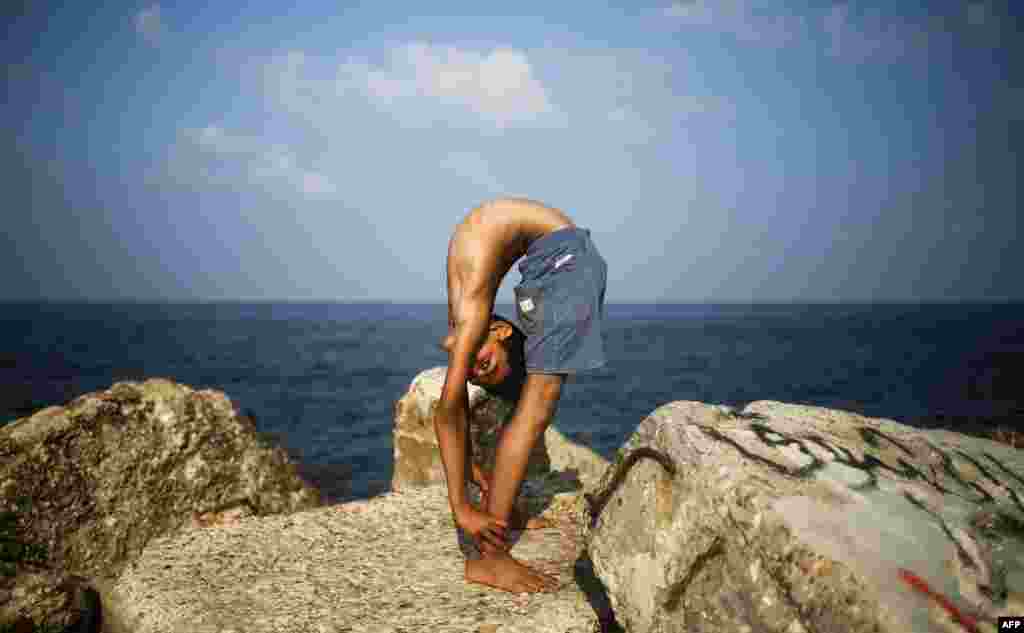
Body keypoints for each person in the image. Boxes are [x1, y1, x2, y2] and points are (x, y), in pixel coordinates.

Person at [436, 197, 607, 593]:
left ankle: (503, 509)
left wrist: (464, 495)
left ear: (502, 331)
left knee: (522, 404)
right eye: (485, 369)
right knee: (532, 409)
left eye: (485, 366)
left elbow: (451, 410)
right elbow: (450, 411)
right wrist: (461, 503)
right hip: (563, 260)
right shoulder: (473, 321)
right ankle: (492, 560)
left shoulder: (470, 317)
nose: (476, 370)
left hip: (559, 258)